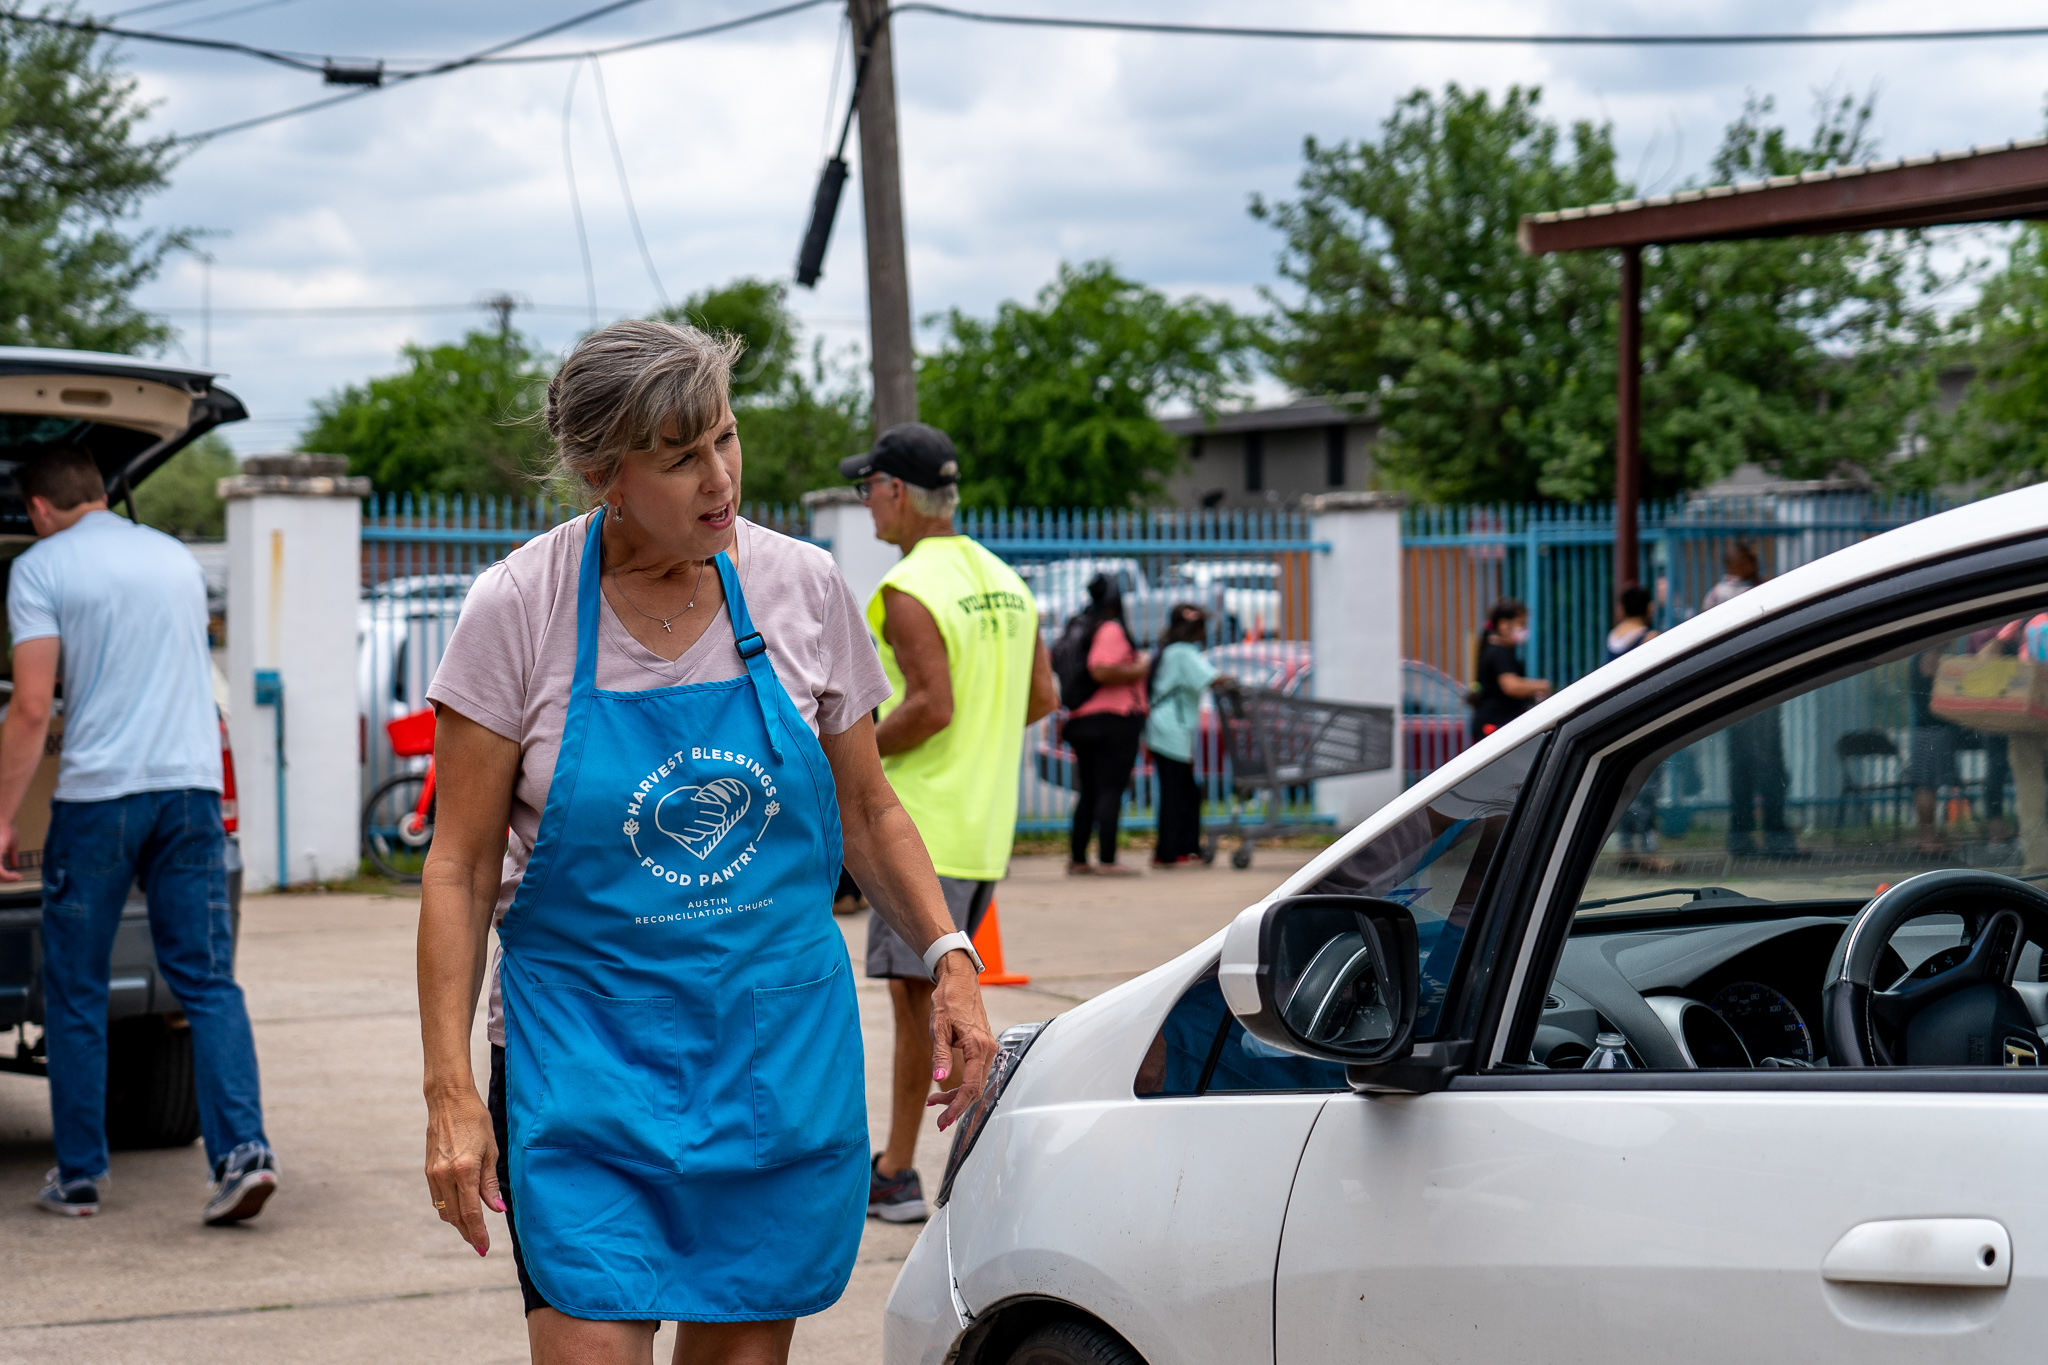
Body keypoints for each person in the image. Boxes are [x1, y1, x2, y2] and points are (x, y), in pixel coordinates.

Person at [416, 322, 996, 1364]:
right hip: (584, 1064)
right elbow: (456, 867)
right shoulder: (520, 608)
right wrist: (449, 1089)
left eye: (724, 439)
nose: (719, 479)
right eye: (680, 457)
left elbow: (866, 811)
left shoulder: (803, 588)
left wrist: (949, 953)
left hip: (770, 1058)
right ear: (605, 474)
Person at [0, 447, 275, 1225]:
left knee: (77, 990)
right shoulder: (173, 558)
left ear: (39, 509)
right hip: (189, 789)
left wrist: (2, 813)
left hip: (98, 800)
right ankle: (243, 1153)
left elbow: (29, 708)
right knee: (206, 981)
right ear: (99, 492)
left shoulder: (41, 568)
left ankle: (81, 1176)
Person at [841, 422, 1055, 1223]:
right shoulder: (1004, 579)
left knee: (917, 1012)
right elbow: (1042, 697)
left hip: (922, 827)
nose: (865, 503)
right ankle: (949, 1164)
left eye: (869, 487)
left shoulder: (910, 588)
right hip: (985, 826)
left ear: (897, 491)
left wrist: (849, 752)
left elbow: (930, 705)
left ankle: (896, 1172)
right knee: (946, 1007)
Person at [1701, 545, 1798, 857]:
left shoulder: (1716, 595)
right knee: (1768, 767)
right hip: (1759, 692)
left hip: (1736, 695)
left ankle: (1742, 836)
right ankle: (1774, 834)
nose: (1757, 563)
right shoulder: (1749, 593)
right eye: (1751, 559)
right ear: (1737, 563)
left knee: (1743, 767)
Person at [1063, 574, 1151, 875]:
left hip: (1082, 720)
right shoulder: (1110, 628)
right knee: (1111, 789)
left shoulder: (1080, 624)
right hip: (1113, 720)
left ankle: (1078, 858)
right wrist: (1138, 668)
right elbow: (1100, 669)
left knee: (1089, 791)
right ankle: (1108, 859)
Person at [1144, 603, 1222, 867]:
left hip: (1164, 726)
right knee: (1177, 793)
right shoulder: (1183, 652)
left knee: (1183, 791)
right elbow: (1210, 678)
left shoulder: (1170, 650)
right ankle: (1169, 852)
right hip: (1170, 728)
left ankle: (1181, 848)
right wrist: (1233, 681)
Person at [1607, 586, 1664, 861]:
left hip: (1619, 716)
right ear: (1648, 607)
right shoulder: (1649, 637)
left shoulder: (1613, 637)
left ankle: (1626, 847)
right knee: (1648, 784)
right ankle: (1650, 851)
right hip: (1645, 716)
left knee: (1625, 782)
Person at [1469, 597, 1551, 742]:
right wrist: (1540, 685)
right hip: (1496, 723)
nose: (1524, 630)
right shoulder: (1500, 652)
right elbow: (1510, 686)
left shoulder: (1494, 649)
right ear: (1503, 625)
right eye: (1521, 624)